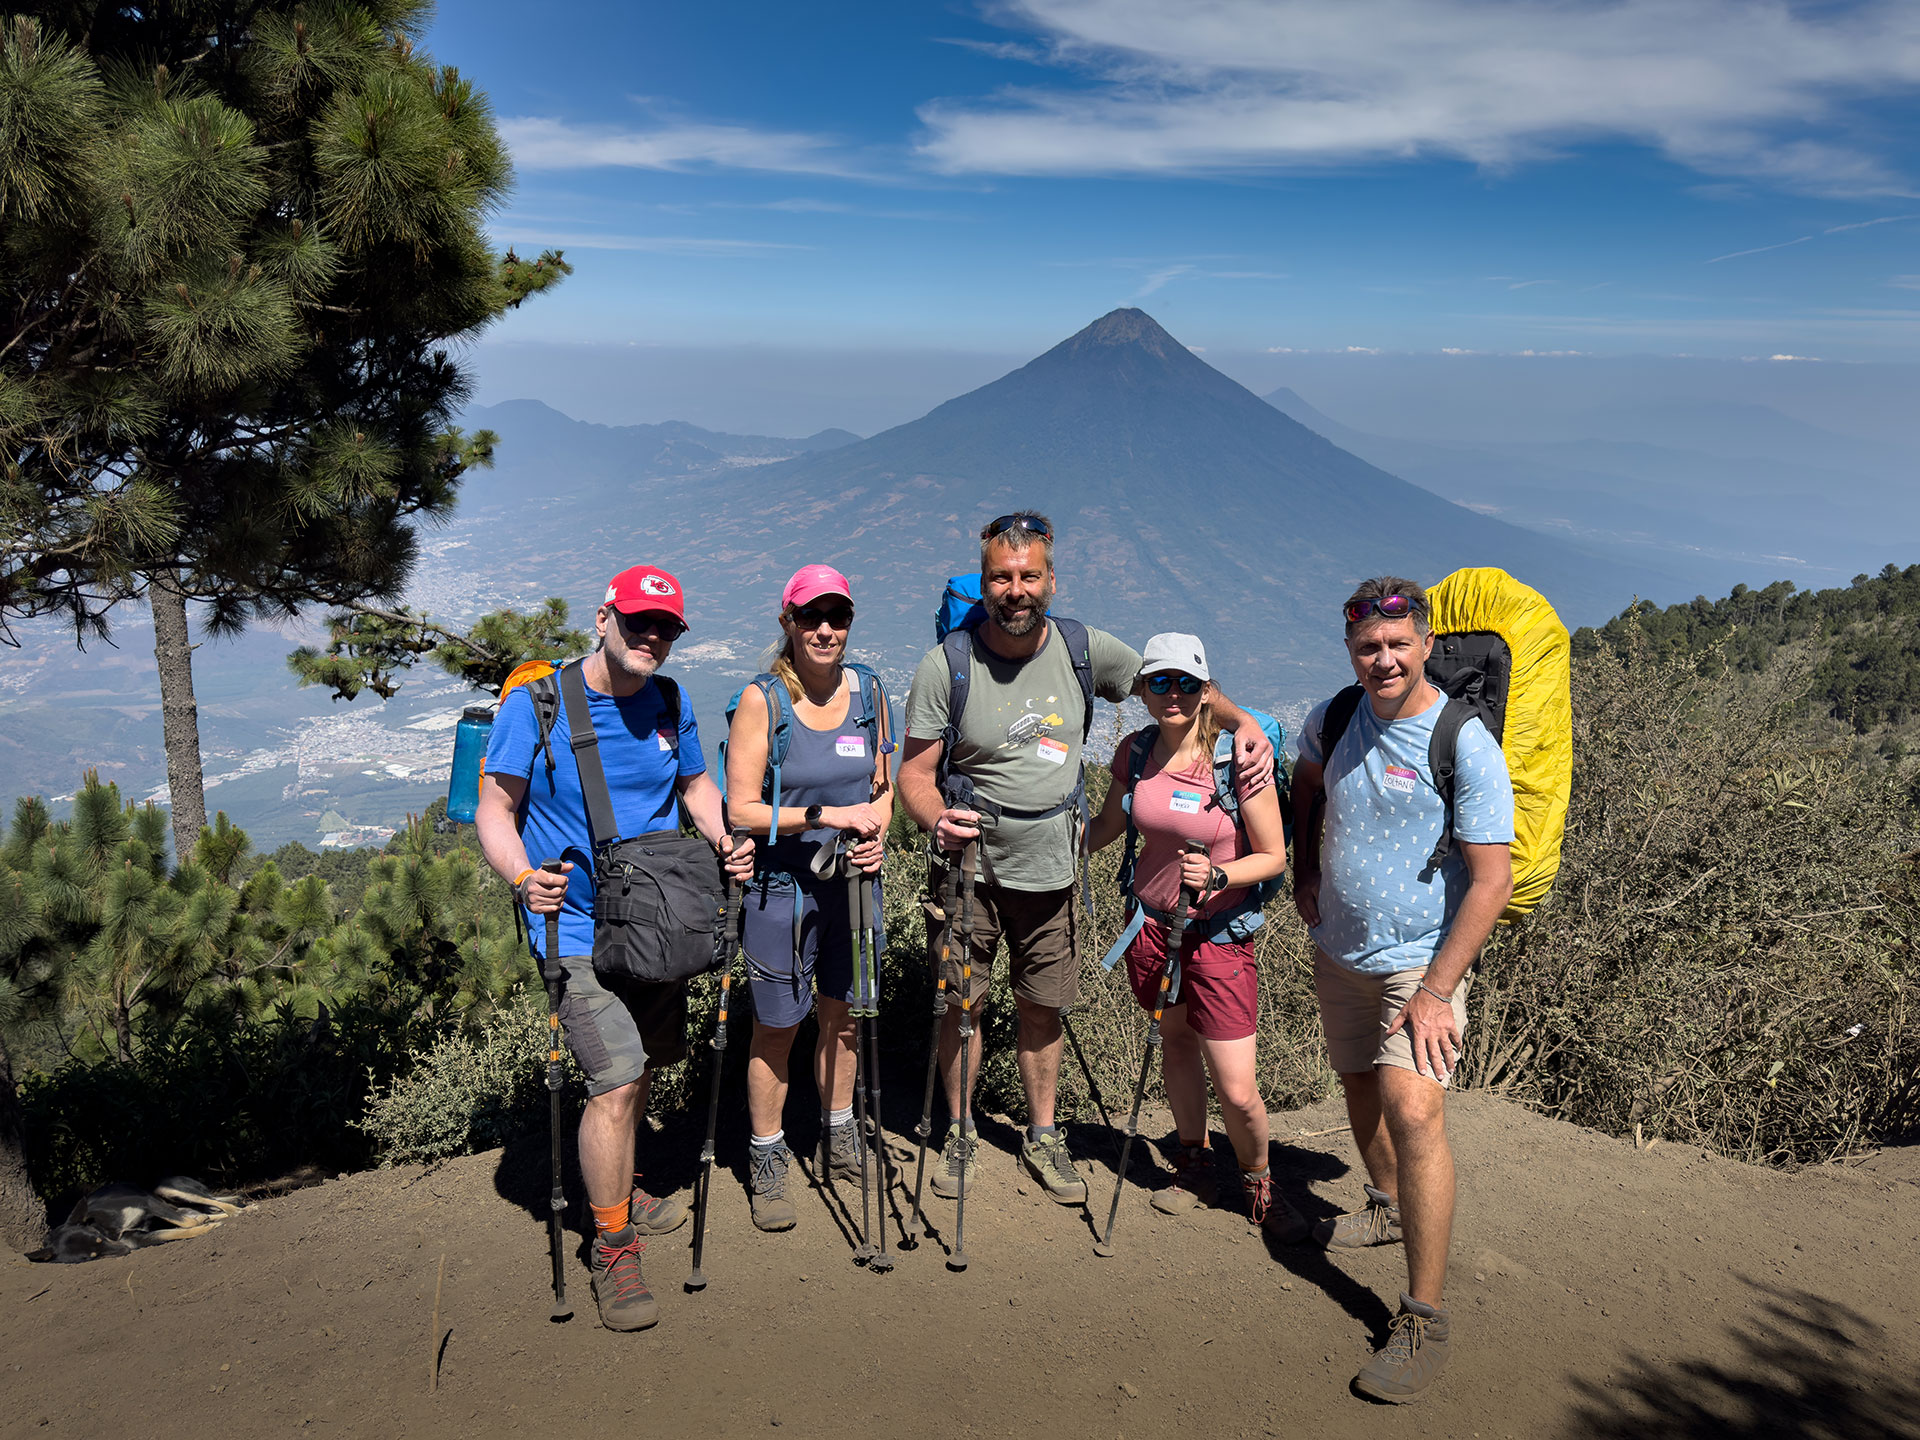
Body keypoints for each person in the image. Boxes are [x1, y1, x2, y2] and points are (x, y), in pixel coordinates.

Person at [898, 512, 1275, 1208]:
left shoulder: (1082, 649)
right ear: (984, 583)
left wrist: (1244, 723)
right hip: (966, 873)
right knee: (961, 1006)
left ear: (1051, 580)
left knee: (1043, 1008)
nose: (1016, 590)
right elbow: (914, 774)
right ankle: (960, 1130)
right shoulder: (945, 665)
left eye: (1028, 576)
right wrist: (935, 818)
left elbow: (1173, 685)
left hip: (1052, 871)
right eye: (1001, 578)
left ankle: (1043, 1134)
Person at [475, 564, 753, 1335]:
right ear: (603, 619)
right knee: (619, 1076)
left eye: (665, 628)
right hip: (571, 930)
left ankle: (621, 1186)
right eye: (638, 622)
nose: (652, 638)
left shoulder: (670, 701)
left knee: (646, 1065)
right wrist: (523, 876)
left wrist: (725, 837)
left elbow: (694, 786)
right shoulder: (537, 705)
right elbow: (494, 809)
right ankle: (613, 1245)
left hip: (656, 926)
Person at [1290, 577, 1515, 1402]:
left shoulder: (1464, 743)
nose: (1382, 659)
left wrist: (1436, 990)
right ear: (1351, 651)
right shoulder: (1335, 716)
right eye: (1367, 648)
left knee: (1414, 1111)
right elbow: (1305, 785)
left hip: (1422, 962)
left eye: (1396, 644)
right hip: (1341, 949)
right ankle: (1386, 1206)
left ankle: (1424, 1318)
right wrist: (1305, 871)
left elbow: (1492, 880)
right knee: (1357, 1081)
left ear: (1425, 645)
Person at [1082, 633, 1303, 1240]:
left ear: (1207, 690)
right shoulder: (1134, 751)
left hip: (1218, 935)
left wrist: (1220, 876)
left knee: (1236, 1085)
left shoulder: (1238, 762)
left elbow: (1274, 856)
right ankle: (1195, 1164)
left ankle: (1259, 1181)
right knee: (1176, 1045)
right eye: (1160, 682)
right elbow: (1107, 825)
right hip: (1153, 929)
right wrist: (1039, 846)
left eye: (1186, 683)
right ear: (1144, 691)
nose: (1173, 694)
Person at [723, 565, 892, 1233]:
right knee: (777, 1027)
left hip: (853, 884)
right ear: (787, 623)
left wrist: (875, 830)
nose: (825, 630)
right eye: (810, 617)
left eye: (837, 617)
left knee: (844, 1017)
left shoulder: (870, 691)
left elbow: (882, 787)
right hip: (782, 890)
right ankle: (767, 1156)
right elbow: (741, 808)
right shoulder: (762, 700)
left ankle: (838, 1133)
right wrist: (825, 815)